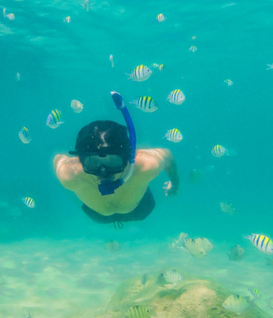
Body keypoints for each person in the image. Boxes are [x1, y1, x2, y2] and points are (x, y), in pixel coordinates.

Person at [53, 92, 179, 226]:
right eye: (93, 162)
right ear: (80, 160)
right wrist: (175, 184)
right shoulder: (69, 175)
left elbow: (168, 156)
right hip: (98, 216)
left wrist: (175, 185)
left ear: (130, 156)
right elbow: (58, 159)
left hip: (140, 210)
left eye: (113, 161)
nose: (103, 172)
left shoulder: (145, 166)